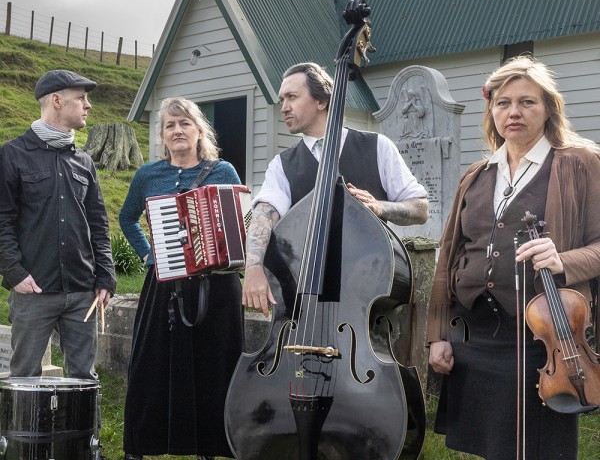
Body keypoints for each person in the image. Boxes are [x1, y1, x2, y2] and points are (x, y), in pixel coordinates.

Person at [426, 55, 600, 460]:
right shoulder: (476, 174)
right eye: (503, 103)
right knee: (489, 447)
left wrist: (564, 260)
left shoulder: (579, 163)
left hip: (541, 338)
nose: (513, 112)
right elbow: (448, 258)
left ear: (548, 109)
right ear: (492, 111)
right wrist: (438, 334)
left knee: (540, 447)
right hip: (473, 334)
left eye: (527, 102)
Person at [242, 62, 429, 316]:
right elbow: (264, 213)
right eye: (282, 99)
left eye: (292, 97)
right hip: (304, 298)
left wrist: (381, 207)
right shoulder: (281, 165)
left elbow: (420, 208)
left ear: (321, 101)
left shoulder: (378, 146)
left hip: (365, 291)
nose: (283, 107)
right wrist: (253, 267)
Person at [119, 97, 244, 460]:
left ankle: (210, 446)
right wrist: (149, 254)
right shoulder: (148, 175)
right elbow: (127, 218)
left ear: (199, 131)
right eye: (170, 125)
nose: (177, 131)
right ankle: (143, 444)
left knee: (214, 363)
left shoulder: (223, 171)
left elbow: (239, 223)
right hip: (164, 285)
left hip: (216, 286)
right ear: (162, 135)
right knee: (151, 362)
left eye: (184, 123)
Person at [0, 69, 116, 379]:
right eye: (81, 98)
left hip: (82, 292)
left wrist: (105, 277)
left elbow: (99, 224)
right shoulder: (12, 155)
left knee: (84, 379)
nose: (88, 105)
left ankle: (82, 418)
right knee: (25, 379)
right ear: (56, 101)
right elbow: (2, 221)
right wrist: (15, 273)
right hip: (33, 290)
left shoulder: (84, 161)